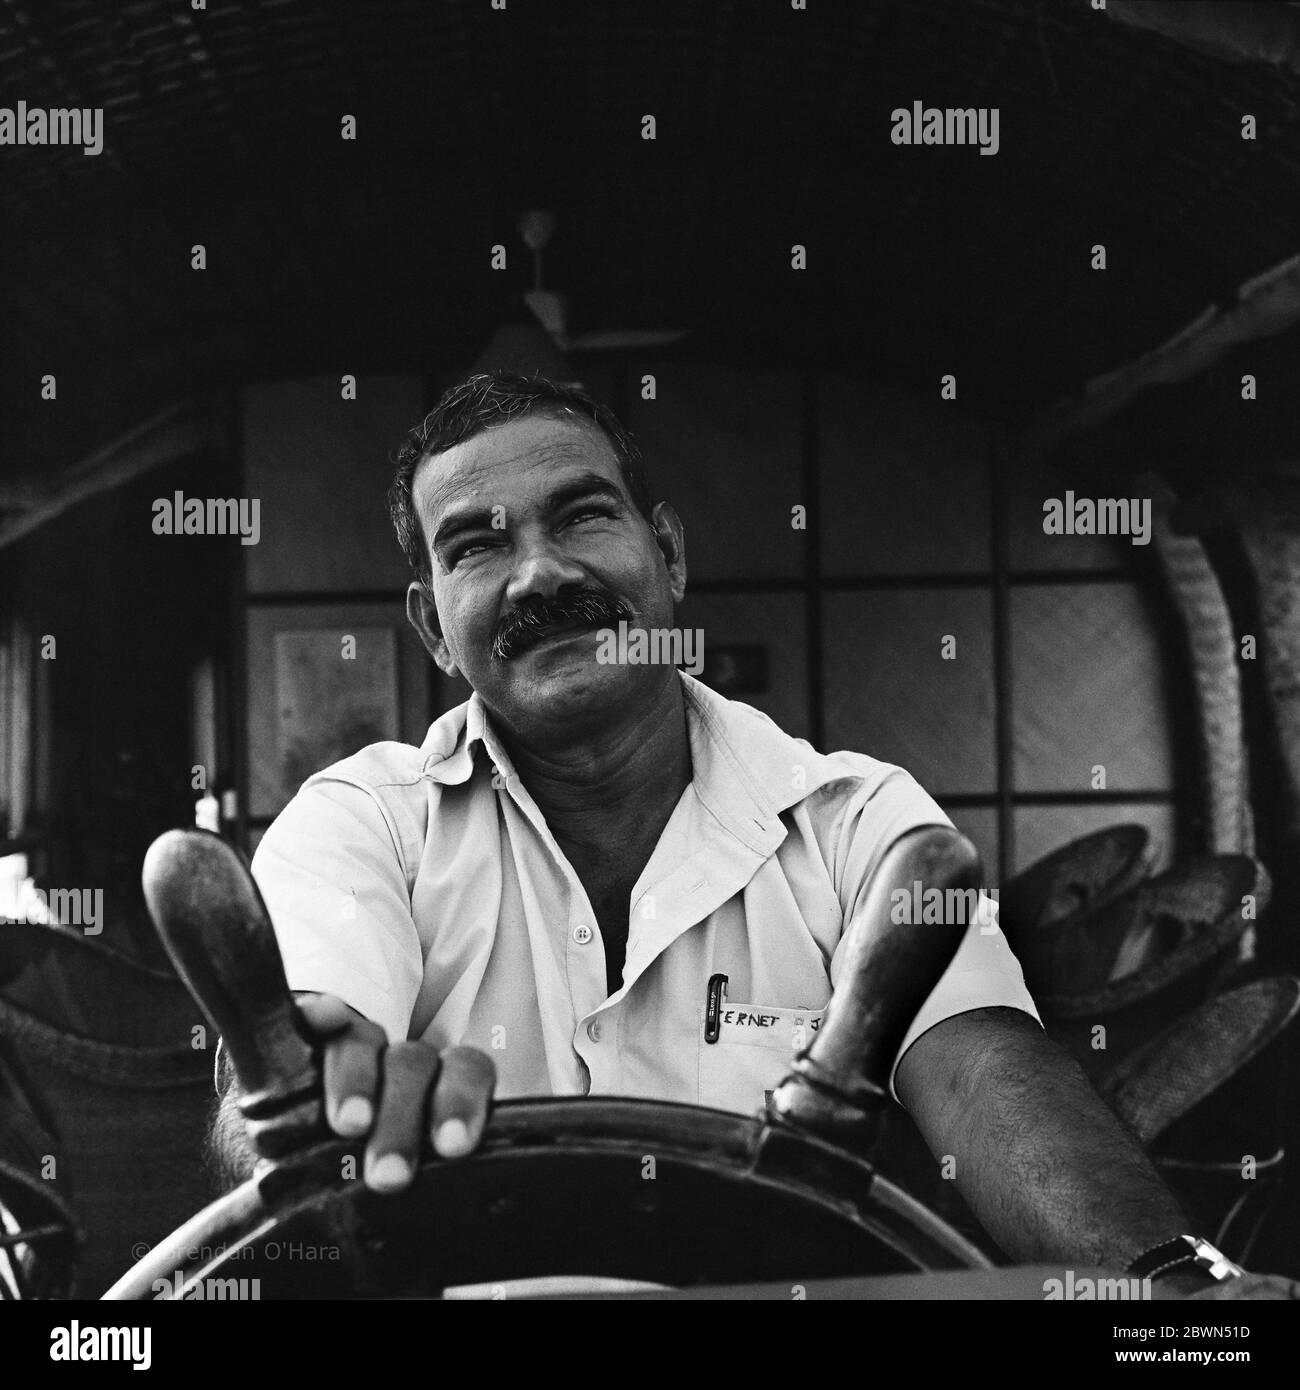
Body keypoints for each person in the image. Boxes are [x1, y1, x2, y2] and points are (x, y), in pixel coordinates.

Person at [211, 372, 1289, 1297]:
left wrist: (1166, 1288)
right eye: (476, 544)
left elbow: (982, 1074)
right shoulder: (359, 821)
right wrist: (301, 1115)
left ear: (668, 553)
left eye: (582, 515)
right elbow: (292, 1064)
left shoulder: (860, 820)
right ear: (431, 624)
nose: (538, 573)